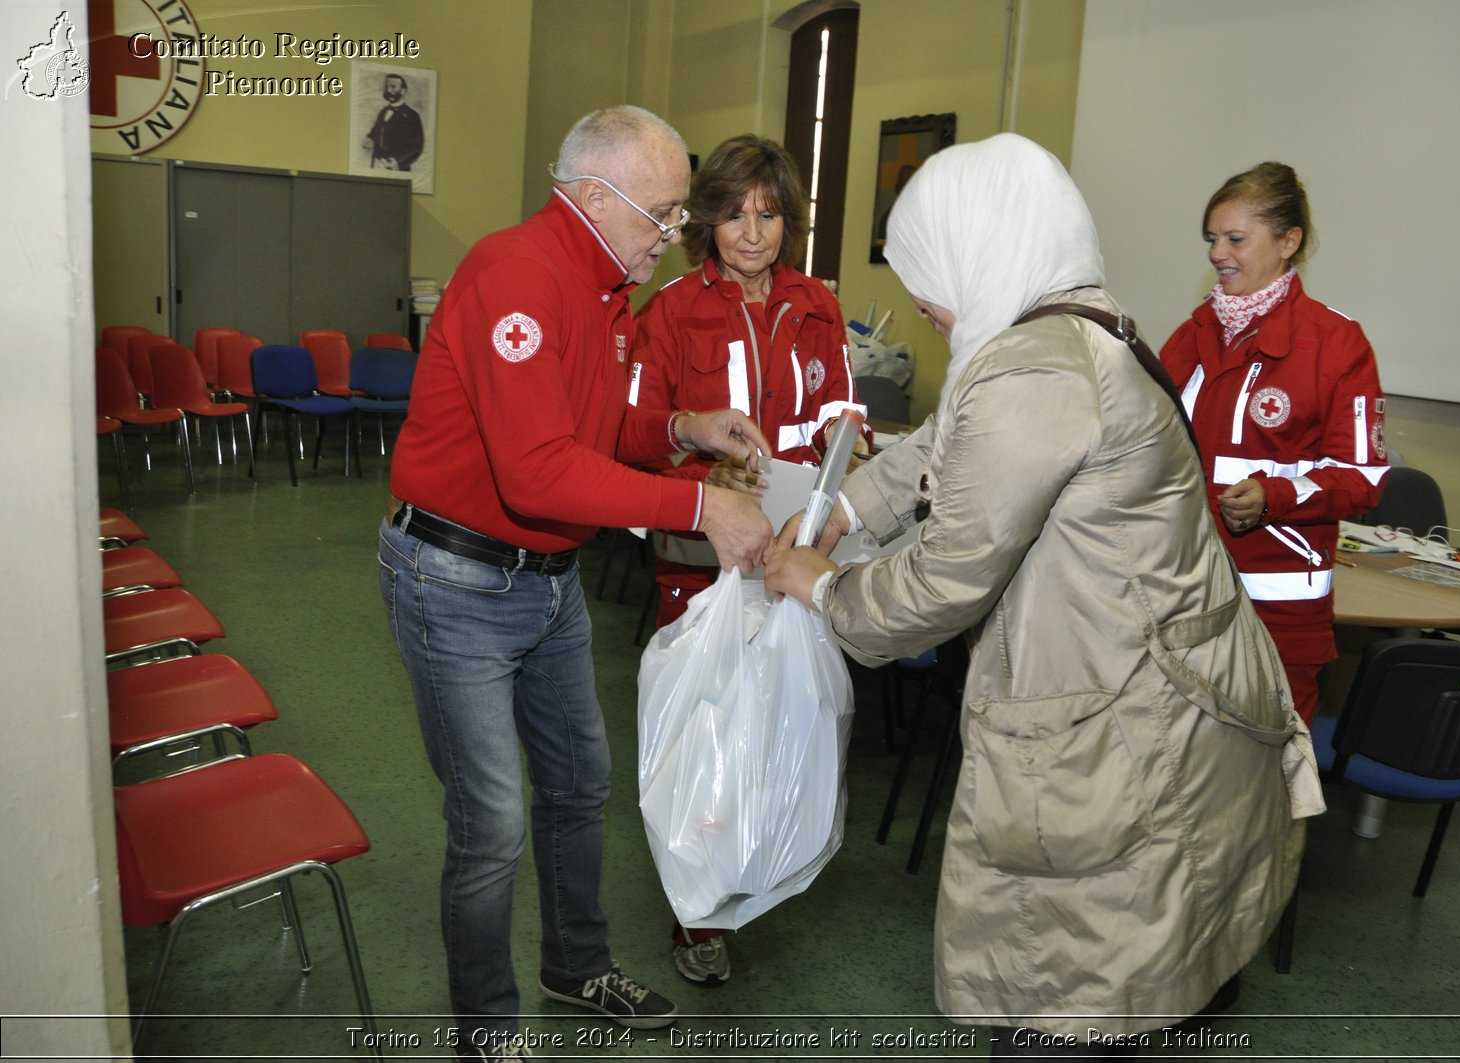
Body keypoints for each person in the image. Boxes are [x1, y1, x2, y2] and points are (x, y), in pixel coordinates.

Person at [764, 133, 1320, 1059]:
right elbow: (936, 447)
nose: (924, 302)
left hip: (1127, 725)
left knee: (1071, 1000)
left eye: (928, 274)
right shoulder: (1077, 326)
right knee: (1159, 964)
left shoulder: (1034, 367)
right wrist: (843, 514)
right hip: (1180, 696)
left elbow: (950, 574)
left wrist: (827, 588)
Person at [378, 105, 773, 1061]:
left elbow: (599, 434)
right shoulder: (519, 274)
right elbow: (539, 471)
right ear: (596, 198)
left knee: (577, 785)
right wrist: (698, 508)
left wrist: (685, 429)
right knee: (493, 818)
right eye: (665, 214)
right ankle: (487, 1029)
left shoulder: (605, 290)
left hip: (545, 580)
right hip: (456, 578)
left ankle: (575, 962)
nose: (673, 236)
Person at [630, 133, 865, 986]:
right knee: (700, 732)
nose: (754, 233)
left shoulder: (818, 307)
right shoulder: (669, 311)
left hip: (792, 557)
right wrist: (702, 468)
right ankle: (694, 913)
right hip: (702, 562)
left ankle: (759, 864)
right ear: (707, 222)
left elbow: (843, 416)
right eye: (735, 215)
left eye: (768, 214)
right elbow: (638, 437)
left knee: (772, 727)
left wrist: (844, 449)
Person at [1158, 162, 1389, 727]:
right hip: (1177, 590)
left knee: (1272, 774)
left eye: (1235, 238)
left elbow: (1363, 478)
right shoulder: (1192, 335)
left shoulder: (1336, 343)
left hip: (1277, 607)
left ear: (1289, 242)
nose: (1217, 253)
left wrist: (1275, 496)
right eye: (1212, 239)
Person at [365, 72, 424, 171]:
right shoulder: (383, 111)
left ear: (403, 91)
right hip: (377, 165)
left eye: (393, 87)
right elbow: (376, 131)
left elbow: (417, 146)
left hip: (398, 169)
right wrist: (369, 138)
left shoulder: (412, 116)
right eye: (387, 86)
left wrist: (398, 162)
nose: (388, 90)